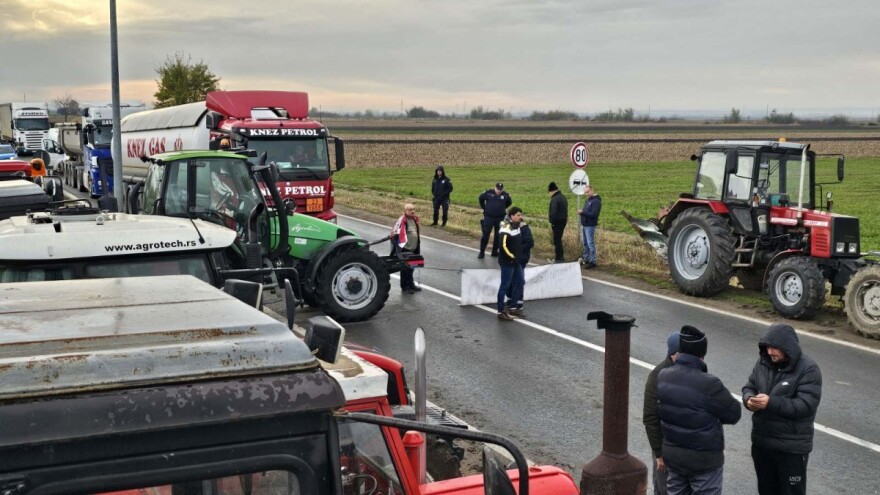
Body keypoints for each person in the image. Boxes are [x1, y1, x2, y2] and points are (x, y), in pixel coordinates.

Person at [657, 325, 741, 495]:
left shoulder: (663, 376)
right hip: (704, 462)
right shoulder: (709, 384)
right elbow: (734, 413)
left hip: (674, 458)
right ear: (702, 355)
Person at [742, 323, 822, 495]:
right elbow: (749, 387)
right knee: (766, 490)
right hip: (762, 444)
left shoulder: (809, 370)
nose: (770, 352)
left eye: (774, 348)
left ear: (788, 348)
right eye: (767, 347)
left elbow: (805, 405)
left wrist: (770, 403)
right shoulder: (763, 363)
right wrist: (748, 400)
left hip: (791, 450)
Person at [643, 333, 679, 495]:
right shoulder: (657, 376)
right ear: (673, 354)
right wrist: (659, 454)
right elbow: (650, 418)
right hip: (664, 446)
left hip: (683, 446)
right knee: (664, 488)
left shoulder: (690, 371)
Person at [496, 207, 524, 321]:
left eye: (521, 214)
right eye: (518, 215)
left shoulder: (517, 227)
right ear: (512, 216)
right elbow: (503, 246)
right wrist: (512, 257)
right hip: (507, 262)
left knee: (521, 281)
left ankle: (513, 306)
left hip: (516, 262)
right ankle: (500, 310)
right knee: (505, 286)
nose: (520, 217)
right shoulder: (506, 228)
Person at [504, 212, 533, 317]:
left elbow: (530, 242)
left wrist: (518, 250)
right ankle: (512, 299)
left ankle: (517, 302)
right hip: (511, 258)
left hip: (521, 258)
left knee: (519, 280)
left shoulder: (524, 228)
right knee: (512, 280)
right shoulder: (507, 228)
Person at [391, 203, 422, 294]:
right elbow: (395, 235)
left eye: (414, 209)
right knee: (405, 269)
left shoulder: (414, 219)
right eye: (410, 209)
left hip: (414, 248)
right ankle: (405, 287)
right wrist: (399, 250)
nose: (413, 211)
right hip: (406, 249)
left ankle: (411, 284)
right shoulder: (402, 220)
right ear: (405, 211)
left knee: (412, 267)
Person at [478, 182, 512, 259]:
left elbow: (509, 203)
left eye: (500, 189)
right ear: (495, 187)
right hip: (489, 217)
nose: (499, 191)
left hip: (500, 218)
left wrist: (502, 208)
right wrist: (485, 207)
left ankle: (494, 251)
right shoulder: (488, 193)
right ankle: (482, 251)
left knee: (498, 236)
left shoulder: (505, 195)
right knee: (486, 235)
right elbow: (481, 198)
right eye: (497, 189)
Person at [577, 185, 602, 268]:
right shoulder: (588, 200)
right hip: (585, 224)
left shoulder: (596, 201)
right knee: (585, 243)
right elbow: (586, 211)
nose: (586, 194)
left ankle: (593, 261)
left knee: (590, 243)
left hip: (590, 225)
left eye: (587, 192)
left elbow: (594, 214)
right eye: (585, 192)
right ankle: (586, 258)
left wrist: (582, 213)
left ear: (592, 190)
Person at [548, 182, 568, 262]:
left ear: (551, 191)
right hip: (563, 220)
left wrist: (552, 221)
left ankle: (559, 257)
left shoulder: (554, 199)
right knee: (558, 239)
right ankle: (559, 256)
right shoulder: (563, 197)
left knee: (557, 240)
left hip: (557, 222)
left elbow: (553, 212)